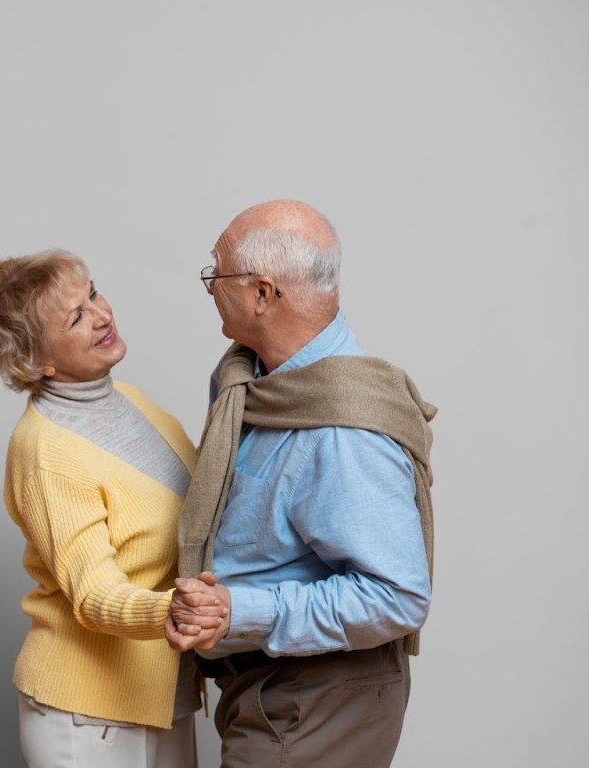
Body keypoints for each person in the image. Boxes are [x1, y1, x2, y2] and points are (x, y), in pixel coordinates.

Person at [166, 200, 436, 768]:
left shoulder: (342, 430)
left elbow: (397, 596)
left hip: (319, 698)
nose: (210, 287)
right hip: (265, 688)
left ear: (263, 294)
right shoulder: (247, 379)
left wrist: (239, 611)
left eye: (217, 273)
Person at [0, 251, 223, 768]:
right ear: (37, 361)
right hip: (88, 716)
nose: (102, 314)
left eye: (92, 294)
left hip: (162, 695)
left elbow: (197, 506)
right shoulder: (45, 451)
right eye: (76, 317)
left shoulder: (131, 401)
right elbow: (93, 595)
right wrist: (174, 611)